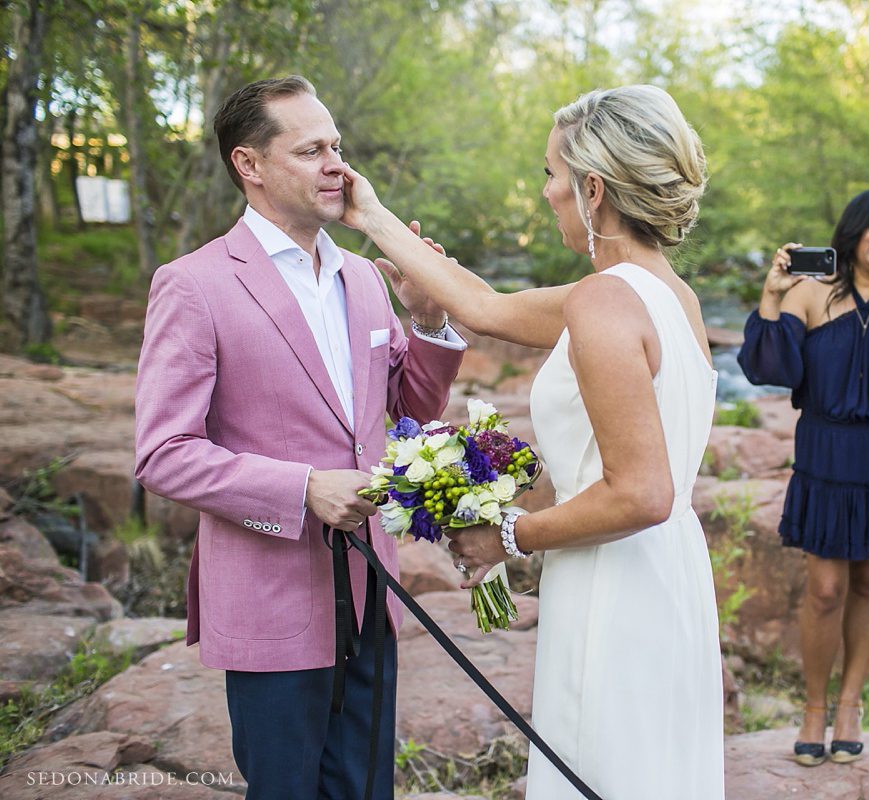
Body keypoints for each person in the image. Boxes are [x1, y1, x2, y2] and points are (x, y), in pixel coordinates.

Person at [339, 84, 724, 800]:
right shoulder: (669, 296)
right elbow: (481, 307)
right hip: (665, 574)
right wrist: (372, 216)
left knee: (604, 768)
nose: (545, 192)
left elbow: (641, 491)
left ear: (593, 189)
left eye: (551, 173)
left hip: (616, 581)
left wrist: (507, 535)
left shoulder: (606, 300)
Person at [134, 75, 465, 800]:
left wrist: (431, 319)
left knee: (366, 789)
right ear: (249, 164)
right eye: (311, 149)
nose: (336, 168)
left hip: (371, 589)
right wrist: (303, 489)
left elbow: (407, 411)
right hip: (270, 600)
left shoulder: (366, 278)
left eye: (338, 148)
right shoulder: (193, 285)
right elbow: (162, 454)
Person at [737, 190, 869, 766]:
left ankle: (850, 705)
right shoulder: (811, 293)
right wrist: (771, 295)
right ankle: (813, 708)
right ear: (853, 233)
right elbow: (770, 369)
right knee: (825, 590)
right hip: (823, 455)